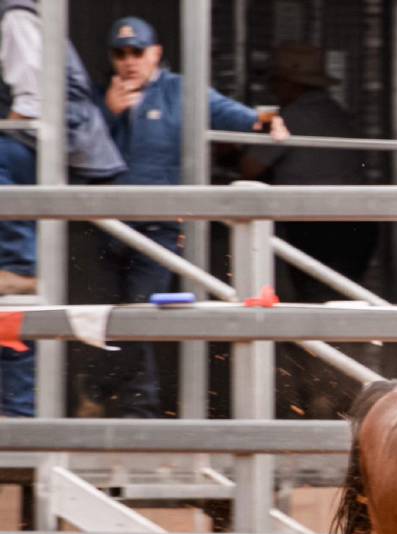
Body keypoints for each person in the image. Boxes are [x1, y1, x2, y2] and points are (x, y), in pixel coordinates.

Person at [79, 16, 287, 418]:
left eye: (136, 52)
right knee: (100, 318)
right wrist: (106, 113)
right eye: (120, 53)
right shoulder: (98, 96)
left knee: (140, 314)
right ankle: (107, 396)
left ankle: (141, 410)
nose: (128, 61)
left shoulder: (179, 91)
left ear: (155, 53)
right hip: (106, 227)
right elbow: (73, 146)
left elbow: (230, 113)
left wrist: (265, 119)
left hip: (158, 229)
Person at [0, 0, 126, 417]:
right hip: (49, 150)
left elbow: (32, 103)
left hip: (46, 149)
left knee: (19, 294)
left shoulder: (14, 15)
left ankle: (21, 412)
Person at [240, 44, 378, 419]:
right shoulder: (336, 113)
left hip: (317, 226)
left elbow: (251, 168)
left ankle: (323, 394)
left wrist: (232, 151)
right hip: (358, 225)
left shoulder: (292, 116)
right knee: (345, 306)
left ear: (289, 84)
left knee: (315, 308)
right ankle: (347, 390)